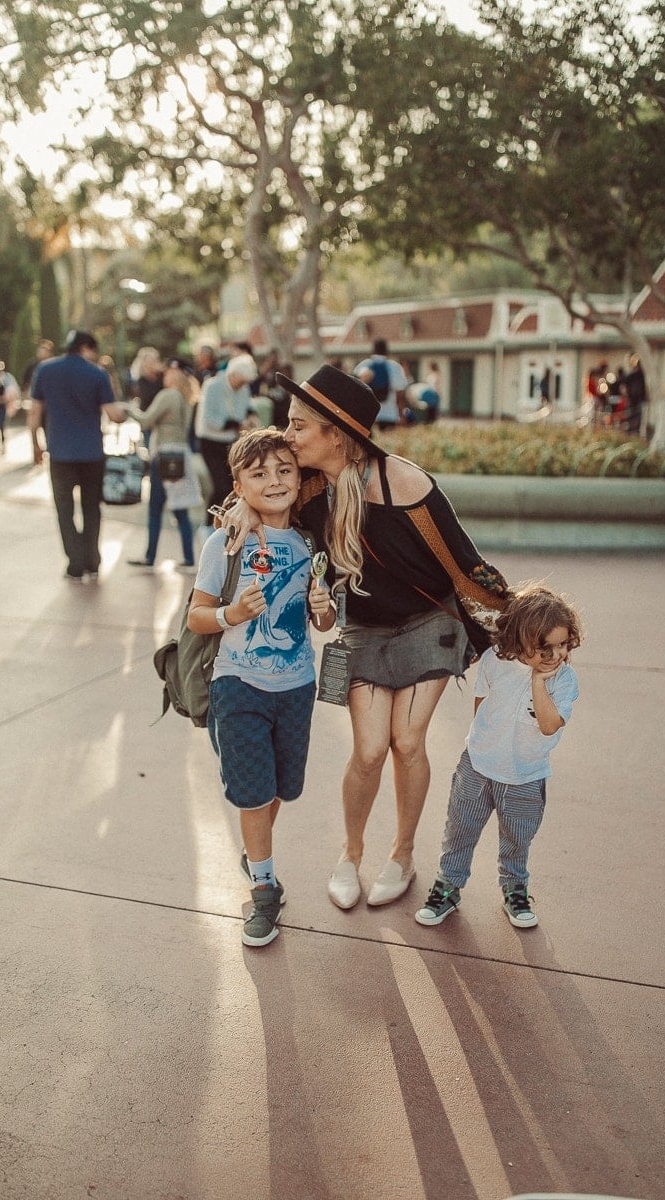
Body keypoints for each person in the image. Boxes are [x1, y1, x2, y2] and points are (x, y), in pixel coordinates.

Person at [221, 364, 510, 911]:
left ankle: (401, 855)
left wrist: (520, 624)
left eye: (299, 426)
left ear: (337, 432)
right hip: (363, 629)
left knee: (406, 743)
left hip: (430, 625)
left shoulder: (405, 482)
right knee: (369, 750)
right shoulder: (309, 487)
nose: (288, 436)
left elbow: (464, 566)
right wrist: (240, 512)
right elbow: (256, 499)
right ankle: (350, 854)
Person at [188, 428, 335, 947]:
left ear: (299, 478)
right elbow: (197, 616)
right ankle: (265, 889)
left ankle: (256, 852)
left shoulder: (312, 543)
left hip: (296, 686)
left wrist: (325, 611)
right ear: (239, 485)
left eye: (283, 470)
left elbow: (321, 621)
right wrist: (232, 613)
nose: (274, 480)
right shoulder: (225, 543)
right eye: (259, 473)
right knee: (254, 792)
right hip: (238, 685)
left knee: (279, 789)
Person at [415, 583, 581, 930]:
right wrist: (482, 745)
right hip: (477, 768)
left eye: (562, 645)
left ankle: (515, 888)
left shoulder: (564, 681)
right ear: (520, 639)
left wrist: (538, 682)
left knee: (518, 837)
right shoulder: (494, 661)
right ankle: (449, 885)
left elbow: (549, 726)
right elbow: (481, 704)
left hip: (525, 776)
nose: (554, 655)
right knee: (460, 830)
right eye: (543, 647)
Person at [29, 330, 127, 581]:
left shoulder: (45, 370)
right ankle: (92, 561)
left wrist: (36, 446)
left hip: (59, 452)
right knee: (91, 508)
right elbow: (113, 414)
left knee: (64, 509)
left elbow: (35, 412)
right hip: (91, 453)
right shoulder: (97, 373)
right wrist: (126, 413)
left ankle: (75, 563)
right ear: (87, 348)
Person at [125, 358, 201, 570]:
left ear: (173, 376)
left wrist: (127, 409)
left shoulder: (168, 395)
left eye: (167, 373)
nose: (163, 376)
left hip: (165, 455)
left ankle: (150, 557)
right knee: (180, 508)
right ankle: (188, 557)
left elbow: (145, 420)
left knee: (155, 508)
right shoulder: (186, 399)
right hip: (180, 455)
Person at [195, 353, 260, 526]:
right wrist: (236, 424)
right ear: (233, 375)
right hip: (210, 440)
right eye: (241, 381)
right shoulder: (212, 386)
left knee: (232, 485)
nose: (242, 385)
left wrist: (251, 417)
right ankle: (210, 523)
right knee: (220, 485)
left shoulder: (243, 389)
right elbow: (210, 419)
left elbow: (247, 407)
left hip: (230, 442)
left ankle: (223, 521)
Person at [354, 338, 408, 430]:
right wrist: (402, 414)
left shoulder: (364, 365)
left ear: (373, 350)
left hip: (368, 415)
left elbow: (355, 388)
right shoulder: (394, 366)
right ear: (387, 351)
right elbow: (400, 394)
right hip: (389, 414)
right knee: (388, 444)